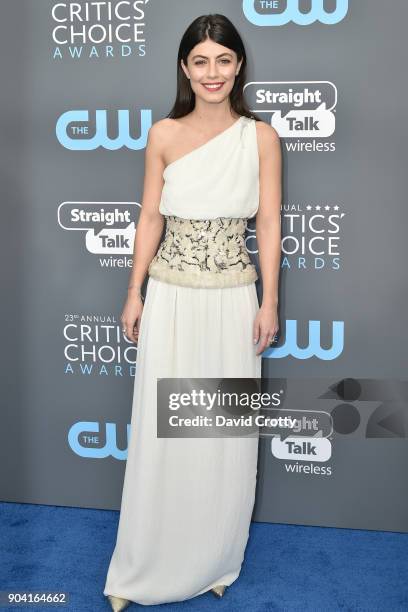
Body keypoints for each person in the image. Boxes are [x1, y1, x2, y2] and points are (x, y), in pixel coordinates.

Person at [103, 13, 281, 611]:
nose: (213, 73)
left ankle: (213, 557)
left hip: (234, 300)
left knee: (222, 436)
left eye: (224, 60)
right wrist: (135, 293)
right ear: (185, 67)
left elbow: (269, 223)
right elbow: (150, 218)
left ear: (238, 67)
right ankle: (142, 567)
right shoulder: (163, 135)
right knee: (164, 435)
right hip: (172, 299)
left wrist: (270, 301)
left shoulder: (260, 138)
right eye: (201, 61)